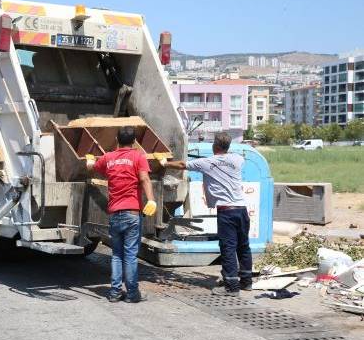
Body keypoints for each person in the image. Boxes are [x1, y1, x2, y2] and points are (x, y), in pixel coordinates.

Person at [158, 132, 252, 296]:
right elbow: (234, 157)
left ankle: (231, 287)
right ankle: (246, 281)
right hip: (241, 209)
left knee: (228, 248)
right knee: (243, 246)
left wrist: (165, 163)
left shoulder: (206, 163)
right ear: (228, 147)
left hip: (226, 212)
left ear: (214, 146)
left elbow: (181, 164)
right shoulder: (237, 160)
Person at [85, 126, 157, 303]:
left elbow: (93, 168)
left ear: (117, 140)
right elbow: (144, 178)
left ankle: (115, 292)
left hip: (115, 214)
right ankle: (132, 294)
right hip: (132, 213)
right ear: (134, 142)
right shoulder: (138, 156)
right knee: (130, 255)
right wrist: (151, 200)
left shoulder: (108, 158)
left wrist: (89, 162)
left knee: (117, 255)